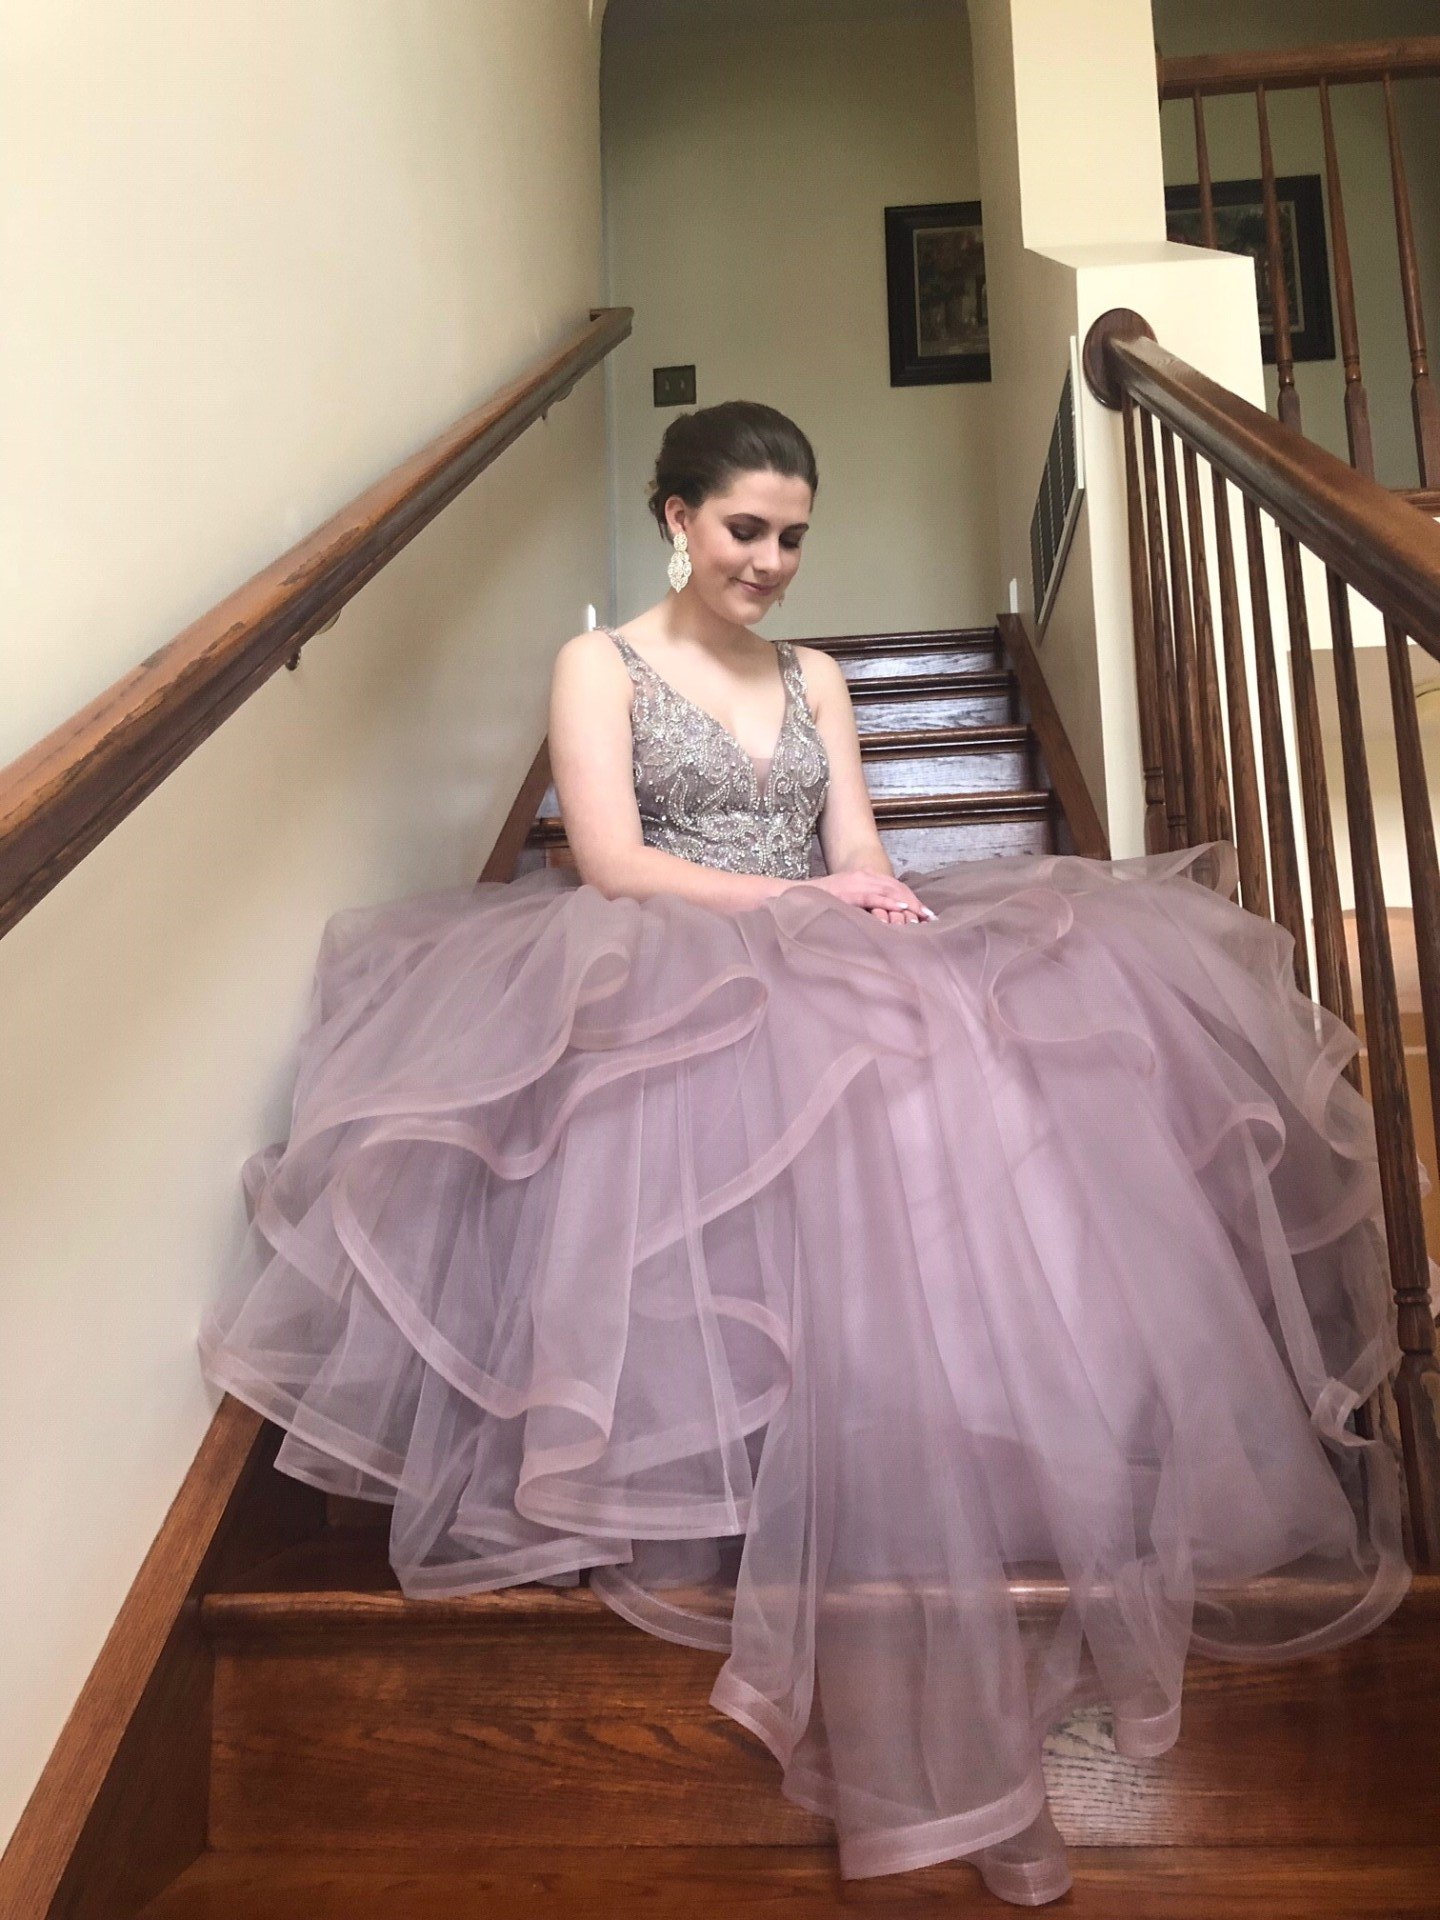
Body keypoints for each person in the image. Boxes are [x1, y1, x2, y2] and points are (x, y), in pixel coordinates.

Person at [200, 399, 1413, 1906]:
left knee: (977, 1041)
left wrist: (873, 901)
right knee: (714, 1104)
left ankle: (968, 1450)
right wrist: (791, 918)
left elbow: (854, 844)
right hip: (669, 953)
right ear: (674, 517)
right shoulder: (603, 664)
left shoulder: (822, 677)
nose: (770, 562)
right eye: (744, 530)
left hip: (821, 943)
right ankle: (742, 1483)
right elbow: (608, 856)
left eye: (791, 537)